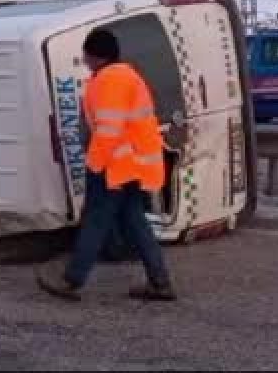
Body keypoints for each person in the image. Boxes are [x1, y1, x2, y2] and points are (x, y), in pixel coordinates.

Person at [36, 28, 175, 302]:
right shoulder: (128, 76)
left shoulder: (108, 81)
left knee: (95, 221)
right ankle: (160, 282)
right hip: (132, 165)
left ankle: (72, 281)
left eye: (86, 54)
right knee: (135, 222)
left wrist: (94, 164)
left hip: (114, 166)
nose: (84, 60)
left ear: (96, 56)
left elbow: (108, 130)